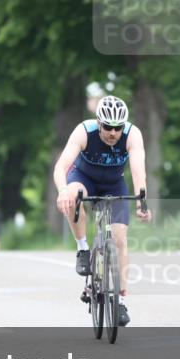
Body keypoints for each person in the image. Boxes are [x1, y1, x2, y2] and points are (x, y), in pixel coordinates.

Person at [53, 95, 152, 327]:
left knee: (119, 239)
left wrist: (142, 202)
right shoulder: (83, 131)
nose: (113, 133)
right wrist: (63, 191)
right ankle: (83, 249)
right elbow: (61, 167)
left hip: (113, 184)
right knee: (74, 196)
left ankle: (119, 301)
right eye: (108, 127)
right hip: (83, 179)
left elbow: (138, 172)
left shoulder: (132, 134)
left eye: (118, 128)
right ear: (99, 122)